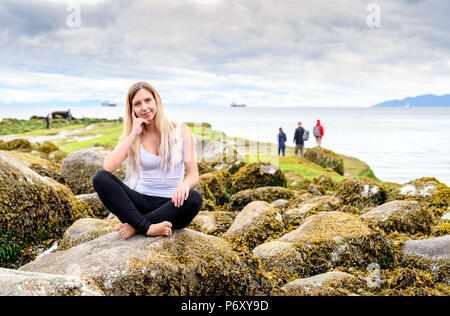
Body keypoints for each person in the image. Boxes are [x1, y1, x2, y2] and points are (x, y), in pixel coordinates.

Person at [92, 82, 202, 240]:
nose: (144, 107)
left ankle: (135, 226)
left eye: (148, 100)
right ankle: (148, 227)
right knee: (100, 178)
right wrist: (133, 134)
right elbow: (108, 167)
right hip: (140, 203)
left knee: (194, 198)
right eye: (137, 104)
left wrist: (184, 185)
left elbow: (193, 174)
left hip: (173, 205)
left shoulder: (182, 131)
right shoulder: (132, 135)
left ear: (157, 101)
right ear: (132, 110)